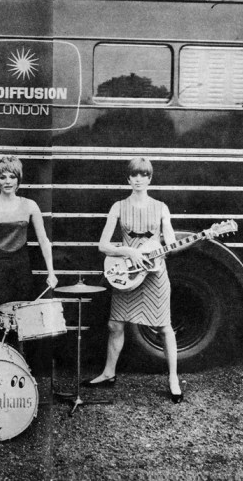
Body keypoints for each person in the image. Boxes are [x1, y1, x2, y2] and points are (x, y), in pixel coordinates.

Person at [84, 157, 183, 403]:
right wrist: (129, 251)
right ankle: (108, 373)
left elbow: (170, 245)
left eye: (144, 175)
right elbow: (103, 245)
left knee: (163, 327)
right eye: (134, 175)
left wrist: (172, 245)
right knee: (115, 325)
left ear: (150, 178)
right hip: (127, 274)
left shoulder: (161, 207)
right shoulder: (118, 206)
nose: (139, 179)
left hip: (154, 275)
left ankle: (173, 379)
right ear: (128, 179)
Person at [0, 155, 58, 331]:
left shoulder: (30, 206)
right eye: (2, 177)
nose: (8, 181)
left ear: (18, 179)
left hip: (20, 272)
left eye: (12, 176)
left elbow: (44, 241)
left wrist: (51, 273)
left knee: (21, 324)